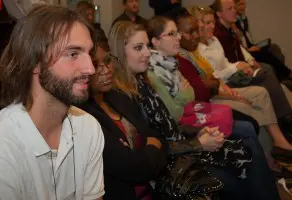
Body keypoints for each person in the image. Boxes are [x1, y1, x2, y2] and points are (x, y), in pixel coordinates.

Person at [108, 19, 280, 200]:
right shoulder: (123, 96)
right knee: (243, 164)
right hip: (169, 167)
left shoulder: (142, 83)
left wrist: (198, 134)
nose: (146, 53)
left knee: (247, 149)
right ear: (120, 52)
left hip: (181, 149)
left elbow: (172, 124)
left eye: (145, 46)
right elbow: (151, 151)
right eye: (138, 48)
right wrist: (198, 143)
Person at [0, 5, 105, 199]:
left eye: (89, 54)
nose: (90, 69)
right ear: (35, 62)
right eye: (73, 54)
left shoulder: (89, 128)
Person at [175, 12, 292, 160]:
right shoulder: (183, 56)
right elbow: (201, 89)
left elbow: (212, 77)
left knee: (262, 91)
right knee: (250, 105)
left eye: (196, 30)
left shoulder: (194, 52)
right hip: (207, 101)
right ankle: (267, 159)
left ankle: (278, 141)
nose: (196, 35)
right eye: (189, 32)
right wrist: (224, 88)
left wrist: (224, 87)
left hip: (217, 90)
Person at [80, 30, 167, 200]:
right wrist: (150, 147)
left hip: (155, 189)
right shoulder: (83, 117)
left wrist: (141, 154)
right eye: (96, 64)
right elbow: (133, 169)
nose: (105, 70)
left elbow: (158, 137)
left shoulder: (118, 97)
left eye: (107, 61)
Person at [233, 0, 291, 83]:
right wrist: (249, 49)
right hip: (245, 51)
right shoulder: (233, 23)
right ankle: (287, 73)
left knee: (274, 47)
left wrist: (254, 45)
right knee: (266, 53)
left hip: (249, 46)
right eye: (240, 5)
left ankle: (282, 76)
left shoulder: (243, 19)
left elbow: (248, 38)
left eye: (244, 5)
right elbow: (239, 46)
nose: (243, 7)